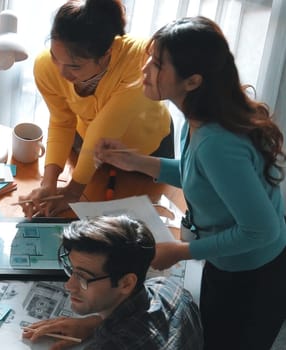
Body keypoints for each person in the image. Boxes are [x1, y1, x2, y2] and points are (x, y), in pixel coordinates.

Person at [95, 16, 286, 350]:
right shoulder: (198, 119)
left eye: (157, 65)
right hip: (230, 262)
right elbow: (199, 175)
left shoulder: (216, 141)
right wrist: (135, 161)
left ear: (192, 81)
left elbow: (261, 230)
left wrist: (182, 251)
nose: (144, 71)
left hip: (254, 276)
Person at [19, 0, 172, 218]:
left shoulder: (139, 59)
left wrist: (73, 191)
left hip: (145, 149)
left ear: (107, 52)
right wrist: (49, 182)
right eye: (55, 56)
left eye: (75, 66)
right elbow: (62, 121)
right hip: (88, 147)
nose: (62, 72)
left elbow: (105, 129)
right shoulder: (45, 66)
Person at [22, 215, 203, 349]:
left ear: (126, 283)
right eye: (71, 269)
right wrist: (94, 323)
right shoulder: (170, 289)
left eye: (83, 277)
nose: (69, 286)